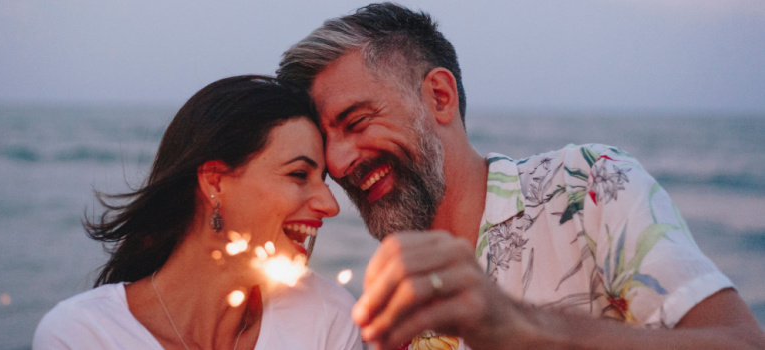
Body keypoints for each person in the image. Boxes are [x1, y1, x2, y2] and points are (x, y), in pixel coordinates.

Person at [277, 3, 765, 349]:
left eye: (357, 123)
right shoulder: (391, 304)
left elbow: (742, 343)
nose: (339, 165)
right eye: (326, 146)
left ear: (439, 97)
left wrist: (520, 327)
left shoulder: (587, 188)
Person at [33, 76, 364, 349]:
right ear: (215, 181)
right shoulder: (83, 335)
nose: (330, 206)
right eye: (298, 175)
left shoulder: (327, 316)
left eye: (324, 181)